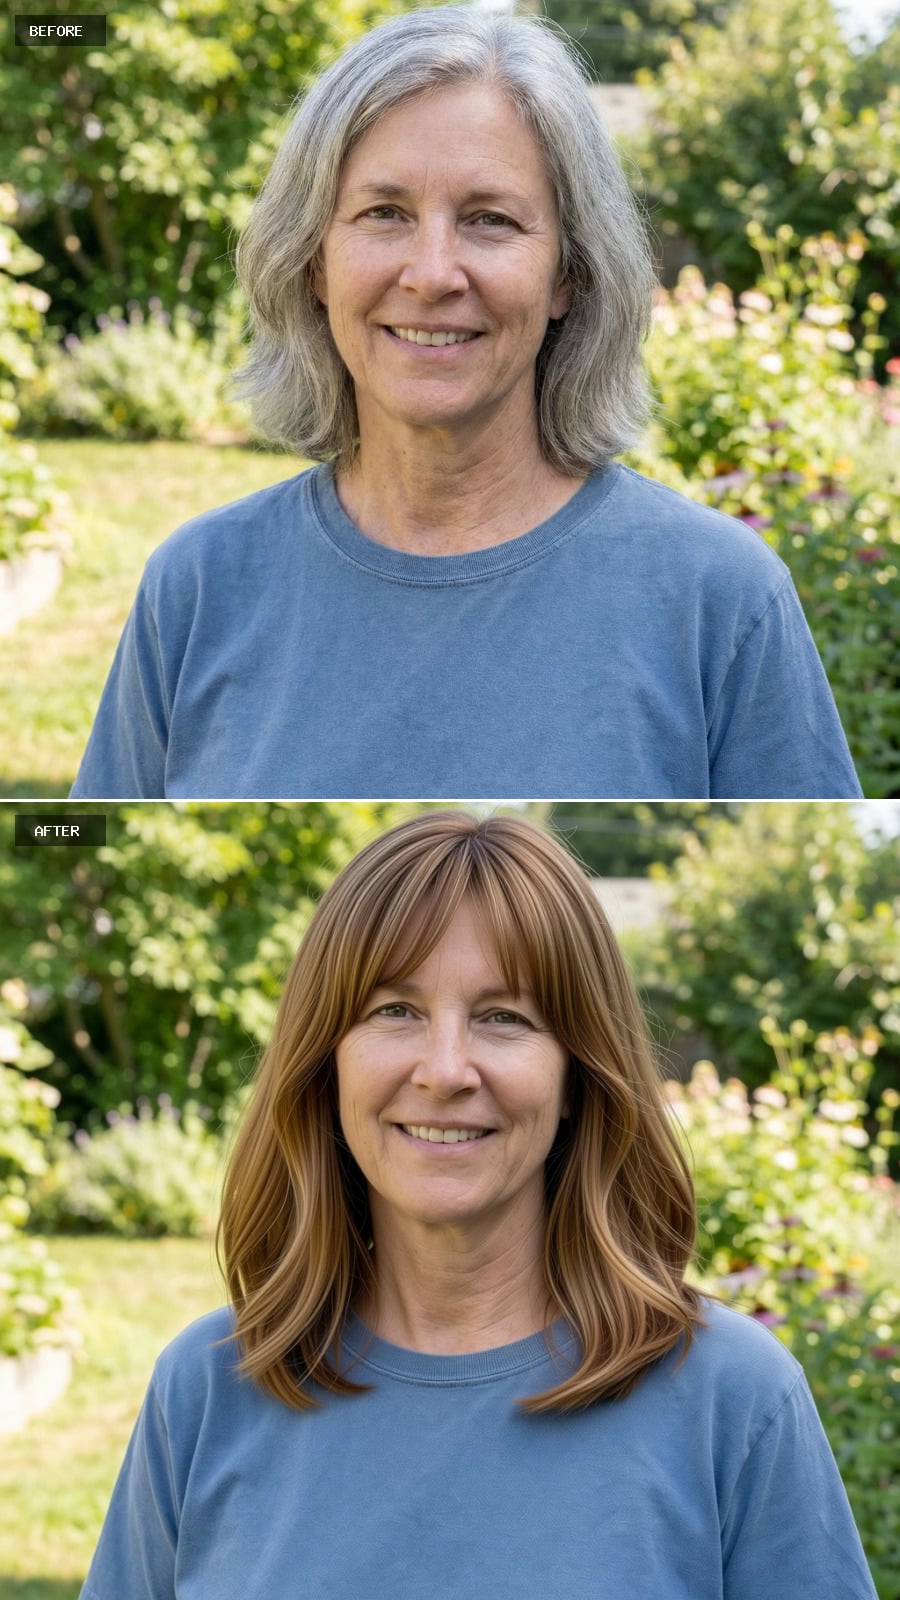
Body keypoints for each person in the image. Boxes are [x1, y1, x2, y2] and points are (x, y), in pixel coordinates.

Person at [80, 811, 877, 1600]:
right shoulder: (208, 1387)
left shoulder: (733, 1403)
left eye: (504, 1018)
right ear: (326, 1063)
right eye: (395, 1010)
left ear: (578, 1077)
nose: (446, 1069)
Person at [70, 7, 861, 800]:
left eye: (491, 219)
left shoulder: (720, 601)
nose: (433, 272)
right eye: (385, 213)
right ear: (313, 262)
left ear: (568, 275)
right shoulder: (199, 585)